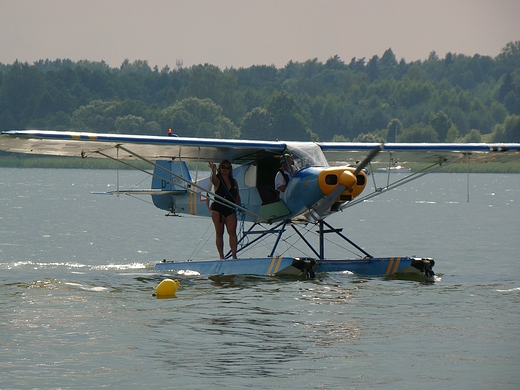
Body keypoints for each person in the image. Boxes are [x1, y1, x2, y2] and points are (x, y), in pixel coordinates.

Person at [208, 159, 241, 259]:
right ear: (220, 168)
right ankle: (221, 257)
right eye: (223, 167)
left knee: (232, 232)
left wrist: (238, 206)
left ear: (230, 169)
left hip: (230, 208)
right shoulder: (217, 179)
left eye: (228, 168)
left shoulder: (234, 181)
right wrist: (213, 171)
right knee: (219, 233)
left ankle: (234, 256)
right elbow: (213, 181)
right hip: (218, 208)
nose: (225, 169)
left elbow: (237, 195)